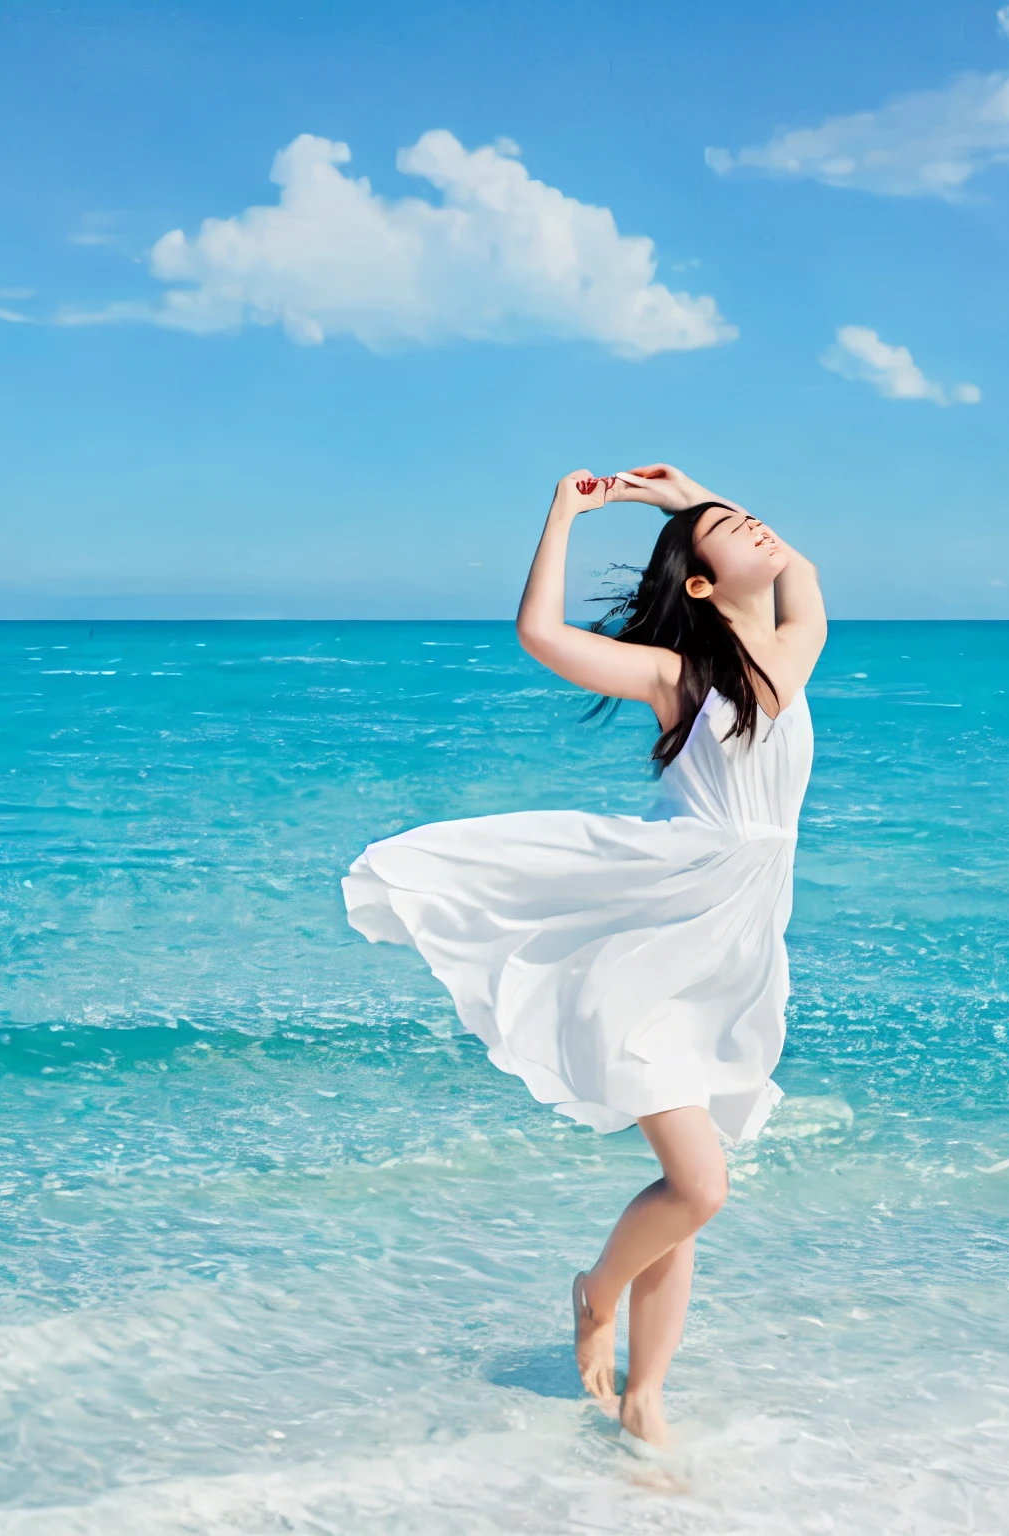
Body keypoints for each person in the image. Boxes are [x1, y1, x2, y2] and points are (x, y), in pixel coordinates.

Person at [342, 461, 827, 1448]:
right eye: (730, 530)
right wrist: (565, 513)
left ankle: (646, 1397)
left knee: (690, 1188)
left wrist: (684, 495)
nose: (759, 530)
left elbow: (802, 566)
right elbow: (542, 636)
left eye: (746, 519)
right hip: (655, 935)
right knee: (699, 1187)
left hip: (732, 948)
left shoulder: (793, 652)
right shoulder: (676, 674)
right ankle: (596, 1292)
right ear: (698, 583)